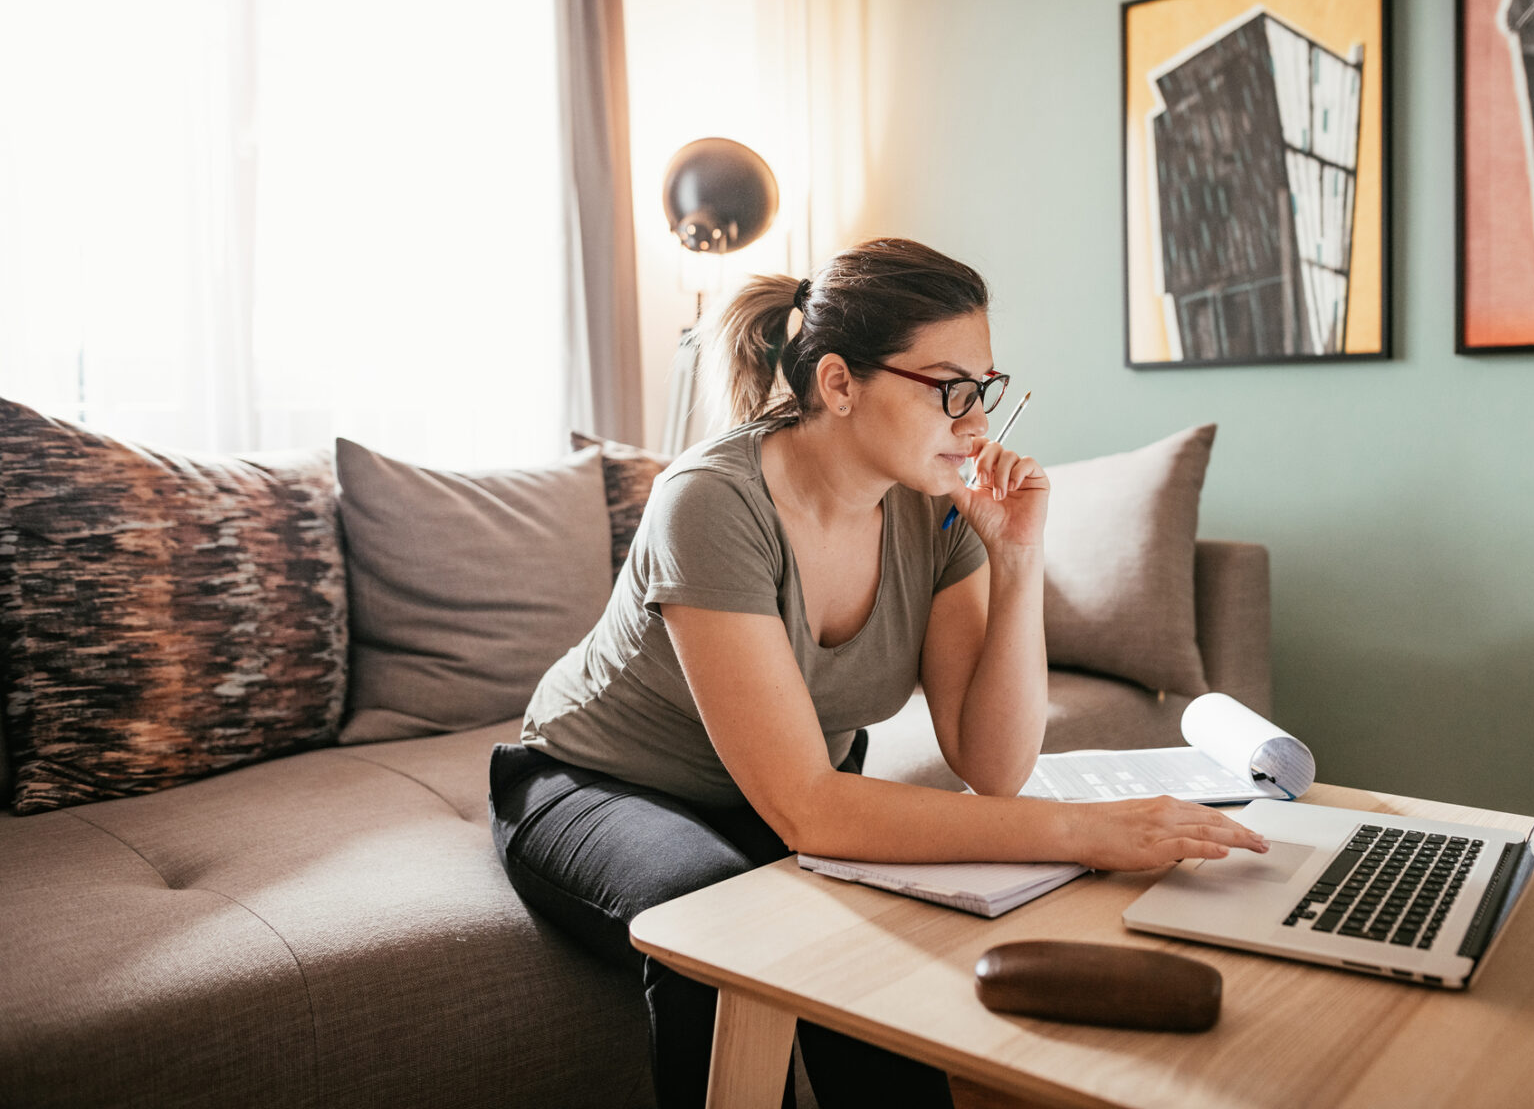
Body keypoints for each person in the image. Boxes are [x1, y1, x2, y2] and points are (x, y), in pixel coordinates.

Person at [488, 237, 1267, 1109]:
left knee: (882, 946)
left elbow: (993, 765)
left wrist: (1016, 559)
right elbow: (809, 808)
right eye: (950, 390)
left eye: (987, 389)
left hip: (770, 795)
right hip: (596, 783)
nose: (976, 424)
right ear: (838, 384)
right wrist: (1085, 830)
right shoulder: (709, 502)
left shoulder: (937, 510)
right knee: (725, 925)